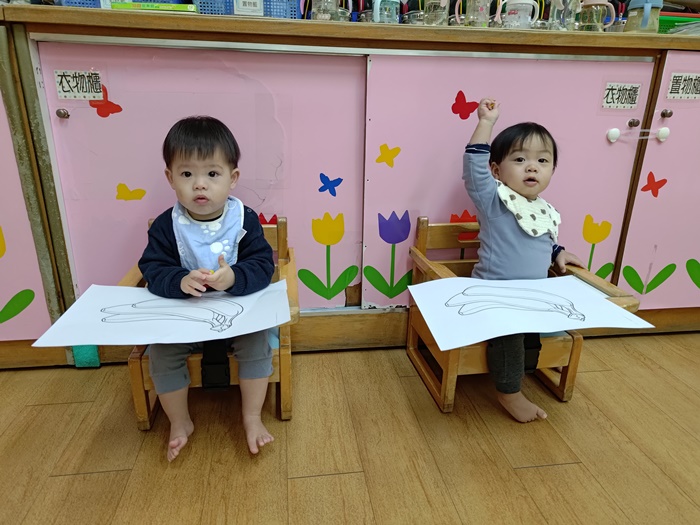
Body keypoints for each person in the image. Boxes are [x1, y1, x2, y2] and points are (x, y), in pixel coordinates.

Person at [139, 116, 276, 460]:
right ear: (170, 178)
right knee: (161, 353)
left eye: (212, 174)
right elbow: (152, 268)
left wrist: (234, 277)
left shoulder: (244, 219)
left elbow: (263, 265)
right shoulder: (166, 226)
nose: (200, 185)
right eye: (187, 174)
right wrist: (178, 280)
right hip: (186, 318)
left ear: (233, 178)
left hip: (238, 318)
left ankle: (252, 418)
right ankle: (180, 422)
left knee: (257, 344)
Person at [463, 98, 584, 423]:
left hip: (532, 296)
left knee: (539, 327)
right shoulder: (494, 200)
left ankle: (530, 367)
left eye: (542, 160)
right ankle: (509, 393)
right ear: (496, 170)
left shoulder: (543, 209)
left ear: (552, 170)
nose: (532, 167)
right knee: (510, 332)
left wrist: (558, 253)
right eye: (520, 159)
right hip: (495, 294)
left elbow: (542, 239)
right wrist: (486, 122)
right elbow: (474, 169)